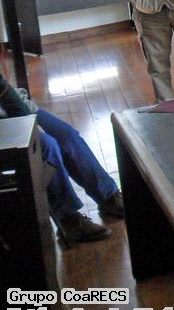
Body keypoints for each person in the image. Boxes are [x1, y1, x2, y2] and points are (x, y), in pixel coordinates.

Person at [0, 73, 124, 245]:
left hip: (11, 105)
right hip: (6, 119)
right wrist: (30, 129)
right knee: (46, 147)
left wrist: (26, 117)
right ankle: (69, 220)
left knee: (67, 135)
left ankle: (108, 196)